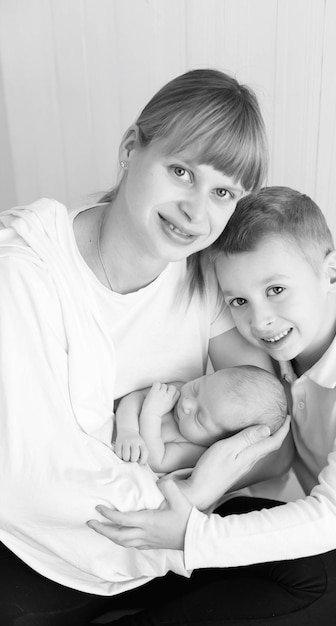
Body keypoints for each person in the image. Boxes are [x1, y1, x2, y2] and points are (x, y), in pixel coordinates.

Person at [0, 68, 292, 625]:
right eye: (182, 171)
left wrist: (188, 506)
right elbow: (32, 481)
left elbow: (268, 434)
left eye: (223, 192)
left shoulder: (206, 273)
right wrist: (191, 493)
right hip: (48, 550)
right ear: (132, 148)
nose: (195, 212)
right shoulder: (24, 272)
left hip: (171, 535)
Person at [87, 187, 336, 625]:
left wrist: (196, 534)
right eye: (239, 301)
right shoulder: (278, 360)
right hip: (325, 548)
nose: (259, 321)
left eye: (276, 289)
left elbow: (334, 515)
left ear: (331, 274)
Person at [115, 365, 287, 473]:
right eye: (197, 388)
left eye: (199, 417)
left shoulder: (196, 450)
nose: (187, 404)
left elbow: (157, 462)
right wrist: (127, 431)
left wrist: (151, 414)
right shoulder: (179, 392)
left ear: (218, 441)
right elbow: (135, 398)